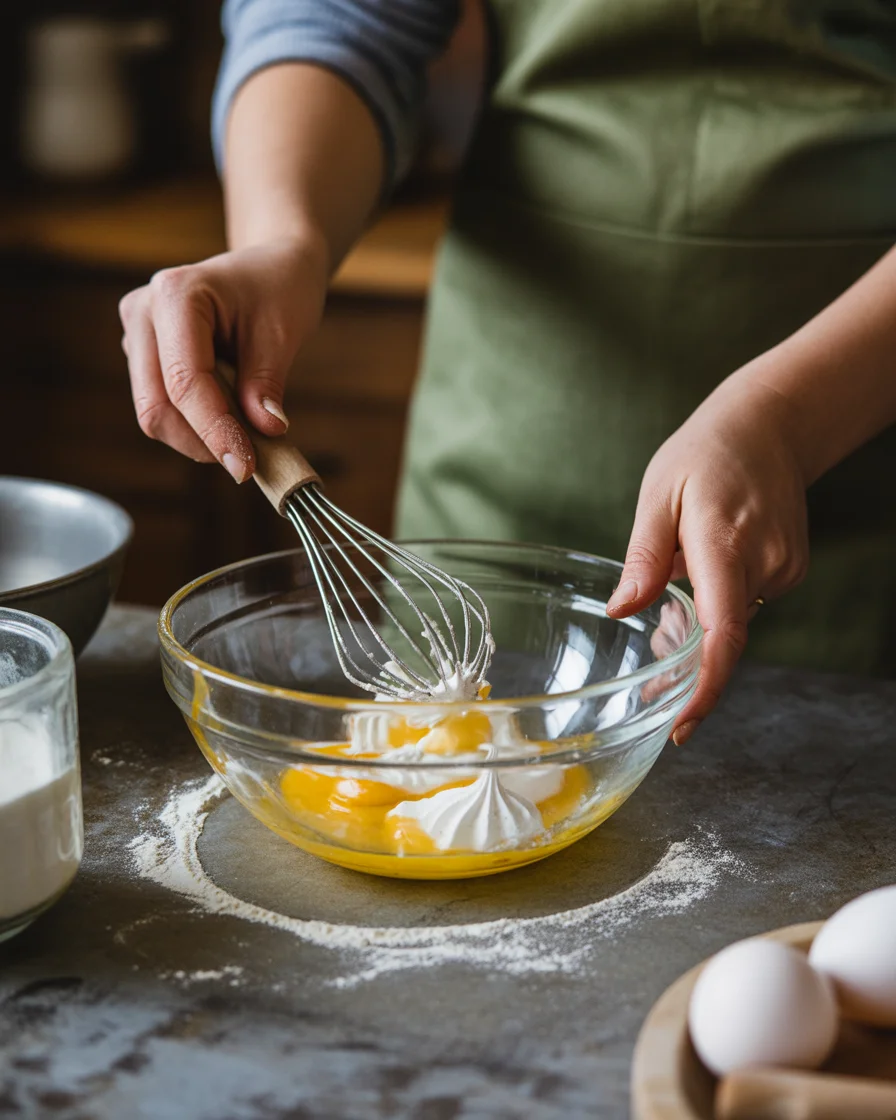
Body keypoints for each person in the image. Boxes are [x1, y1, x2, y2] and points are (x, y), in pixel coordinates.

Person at [119, 1, 896, 744]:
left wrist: (791, 418)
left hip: (856, 454)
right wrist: (281, 239)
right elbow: (341, 15)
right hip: (511, 433)